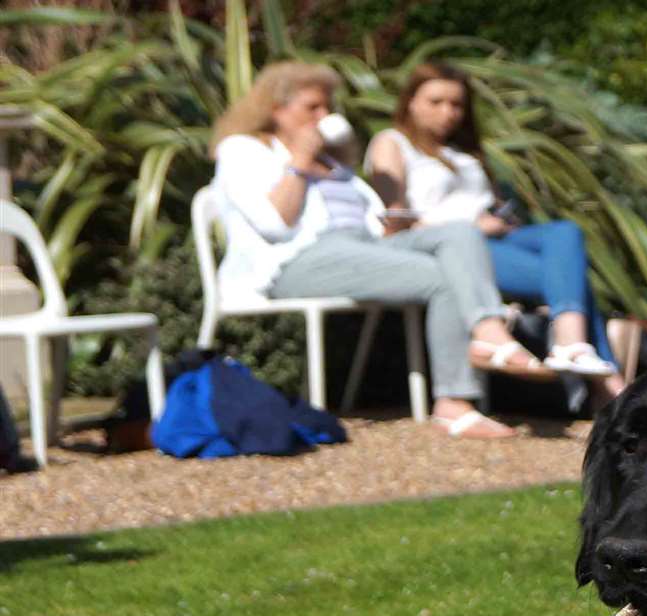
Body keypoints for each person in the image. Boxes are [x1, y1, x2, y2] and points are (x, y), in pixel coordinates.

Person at [210, 62, 546, 440]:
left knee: (459, 233)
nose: (325, 116)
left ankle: (488, 331)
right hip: (295, 262)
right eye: (312, 108)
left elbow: (374, 223)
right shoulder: (243, 151)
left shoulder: (333, 162)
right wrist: (300, 161)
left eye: (327, 107)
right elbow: (275, 224)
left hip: (364, 247)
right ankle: (454, 403)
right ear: (276, 109)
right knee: (442, 278)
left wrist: (397, 215)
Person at [365, 62, 625, 408]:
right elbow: (394, 221)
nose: (448, 112)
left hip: (499, 238)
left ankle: (575, 349)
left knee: (565, 232)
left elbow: (493, 204)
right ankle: (606, 381)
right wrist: (471, 225)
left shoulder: (466, 153)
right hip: (451, 245)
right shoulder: (392, 143)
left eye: (456, 104)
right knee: (570, 278)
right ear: (410, 101)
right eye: (436, 101)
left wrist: (500, 216)